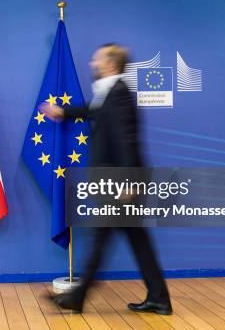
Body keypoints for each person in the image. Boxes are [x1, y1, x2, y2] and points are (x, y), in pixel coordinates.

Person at [41, 43, 172, 315]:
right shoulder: (111, 93)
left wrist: (128, 181)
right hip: (118, 181)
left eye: (96, 60)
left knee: (102, 239)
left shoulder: (119, 94)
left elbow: (127, 140)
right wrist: (64, 112)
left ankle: (78, 296)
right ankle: (159, 297)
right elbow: (94, 111)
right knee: (137, 240)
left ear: (111, 65)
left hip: (120, 184)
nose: (92, 64)